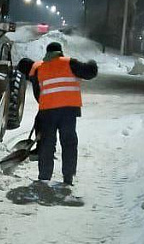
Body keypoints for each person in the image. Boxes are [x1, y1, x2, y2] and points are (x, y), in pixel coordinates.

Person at [23, 42, 98, 186]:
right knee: (69, 143)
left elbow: (37, 89)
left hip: (47, 113)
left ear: (47, 52)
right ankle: (68, 178)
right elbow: (91, 72)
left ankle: (44, 177)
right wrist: (92, 63)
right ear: (60, 52)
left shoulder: (40, 68)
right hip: (68, 113)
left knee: (46, 144)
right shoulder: (70, 63)